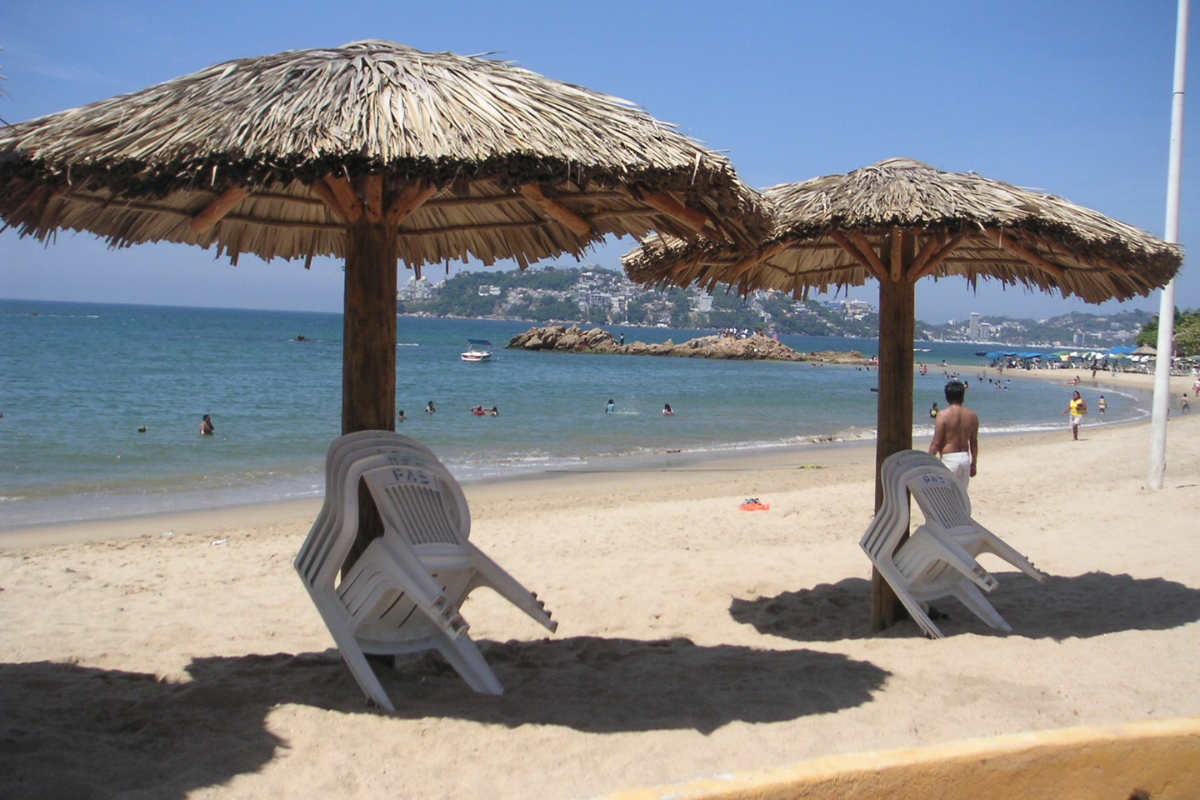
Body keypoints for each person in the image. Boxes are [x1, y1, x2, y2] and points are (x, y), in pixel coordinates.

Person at [929, 381, 978, 491]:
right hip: (965, 459)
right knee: (961, 497)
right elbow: (974, 442)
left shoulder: (943, 415)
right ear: (963, 397)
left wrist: (928, 461)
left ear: (946, 397)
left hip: (949, 459)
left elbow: (936, 443)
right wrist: (974, 463)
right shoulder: (972, 416)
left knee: (946, 498)